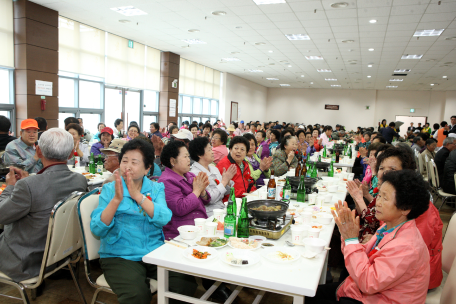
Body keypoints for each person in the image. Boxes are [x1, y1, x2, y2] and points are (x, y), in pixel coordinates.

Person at [91, 139, 196, 304]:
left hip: (153, 252)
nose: (128, 166)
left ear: (148, 168)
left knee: (184, 284)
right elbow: (97, 229)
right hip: (120, 254)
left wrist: (138, 196)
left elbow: (164, 218)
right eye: (124, 161)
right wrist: (116, 200)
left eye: (134, 162)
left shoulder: (156, 188)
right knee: (137, 295)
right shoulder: (110, 190)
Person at [308, 170, 431, 304]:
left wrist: (351, 239)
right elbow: (363, 255)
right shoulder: (389, 227)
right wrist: (347, 234)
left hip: (375, 297)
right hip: (363, 291)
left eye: (385, 198)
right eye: (379, 196)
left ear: (405, 208)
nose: (377, 202)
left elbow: (368, 282)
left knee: (307, 298)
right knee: (309, 294)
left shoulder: (407, 247)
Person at [347, 146, 443, 289]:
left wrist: (362, 241)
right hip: (387, 263)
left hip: (408, 281)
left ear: (406, 173)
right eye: (381, 168)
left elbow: (405, 252)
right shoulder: (389, 195)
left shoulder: (415, 206)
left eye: (392, 170)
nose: (384, 173)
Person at [0, 128, 87, 282]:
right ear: (69, 154)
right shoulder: (79, 180)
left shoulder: (28, 185)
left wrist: (10, 188)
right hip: (59, 256)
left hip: (25, 262)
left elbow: (2, 216)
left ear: (38, 151)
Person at [158, 140, 211, 238]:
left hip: (199, 226)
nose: (189, 160)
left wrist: (203, 192)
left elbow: (206, 201)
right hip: (181, 234)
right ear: (173, 161)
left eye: (188, 156)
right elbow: (180, 208)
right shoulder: (166, 181)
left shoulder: (190, 175)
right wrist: (197, 191)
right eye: (185, 156)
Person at [189, 137, 236, 216]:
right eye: (209, 150)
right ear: (199, 154)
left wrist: (227, 181)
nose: (212, 152)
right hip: (209, 213)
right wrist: (224, 181)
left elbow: (225, 192)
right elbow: (210, 199)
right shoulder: (196, 174)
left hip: (221, 208)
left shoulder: (214, 169)